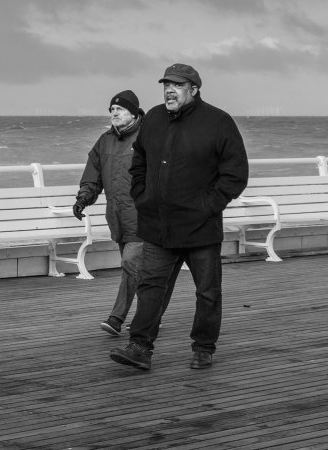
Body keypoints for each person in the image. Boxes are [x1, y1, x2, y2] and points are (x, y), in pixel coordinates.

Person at [109, 63, 249, 370]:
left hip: (200, 227)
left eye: (177, 85)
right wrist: (142, 195)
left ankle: (203, 346)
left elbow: (235, 174)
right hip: (158, 225)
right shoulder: (155, 118)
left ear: (194, 89)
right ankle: (140, 347)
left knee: (207, 292)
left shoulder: (218, 122)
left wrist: (206, 206)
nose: (169, 90)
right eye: (165, 85)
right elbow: (140, 162)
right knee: (150, 288)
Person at [73, 90, 144, 336]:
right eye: (112, 110)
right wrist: (83, 199)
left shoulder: (147, 138)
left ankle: (117, 319)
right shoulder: (104, 141)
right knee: (138, 270)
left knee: (130, 264)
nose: (114, 113)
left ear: (133, 113)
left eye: (120, 110)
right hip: (117, 217)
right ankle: (150, 315)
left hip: (144, 216)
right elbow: (93, 175)